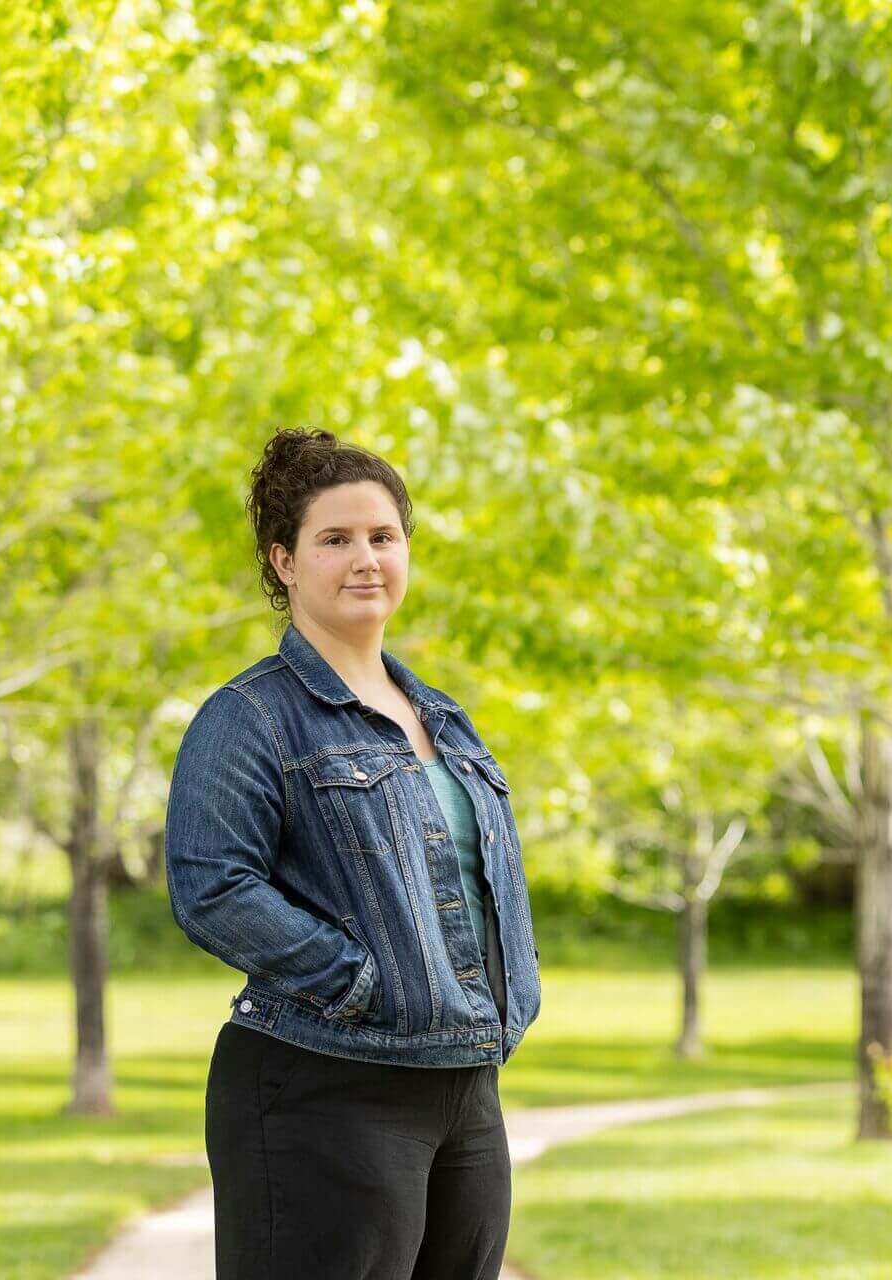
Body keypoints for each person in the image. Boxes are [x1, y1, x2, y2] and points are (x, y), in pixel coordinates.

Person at [164, 427, 542, 1279]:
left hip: (462, 1086)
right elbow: (211, 887)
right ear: (284, 562)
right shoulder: (250, 717)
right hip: (323, 1087)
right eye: (334, 539)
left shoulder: (440, 715)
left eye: (383, 536)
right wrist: (363, 983)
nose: (365, 558)